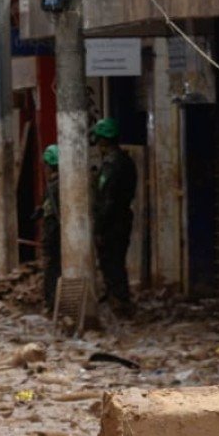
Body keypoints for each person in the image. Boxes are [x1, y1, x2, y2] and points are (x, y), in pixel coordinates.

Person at [92, 118, 137, 310]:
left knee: (111, 262)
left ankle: (119, 301)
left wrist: (99, 227)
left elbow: (108, 199)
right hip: (122, 217)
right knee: (115, 260)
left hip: (112, 222)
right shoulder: (127, 161)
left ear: (103, 141)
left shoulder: (112, 165)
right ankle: (116, 297)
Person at [38, 144, 61, 309]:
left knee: (52, 268)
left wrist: (46, 240)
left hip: (54, 234)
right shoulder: (57, 184)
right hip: (56, 233)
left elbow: (52, 215)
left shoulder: (55, 186)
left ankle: (52, 302)